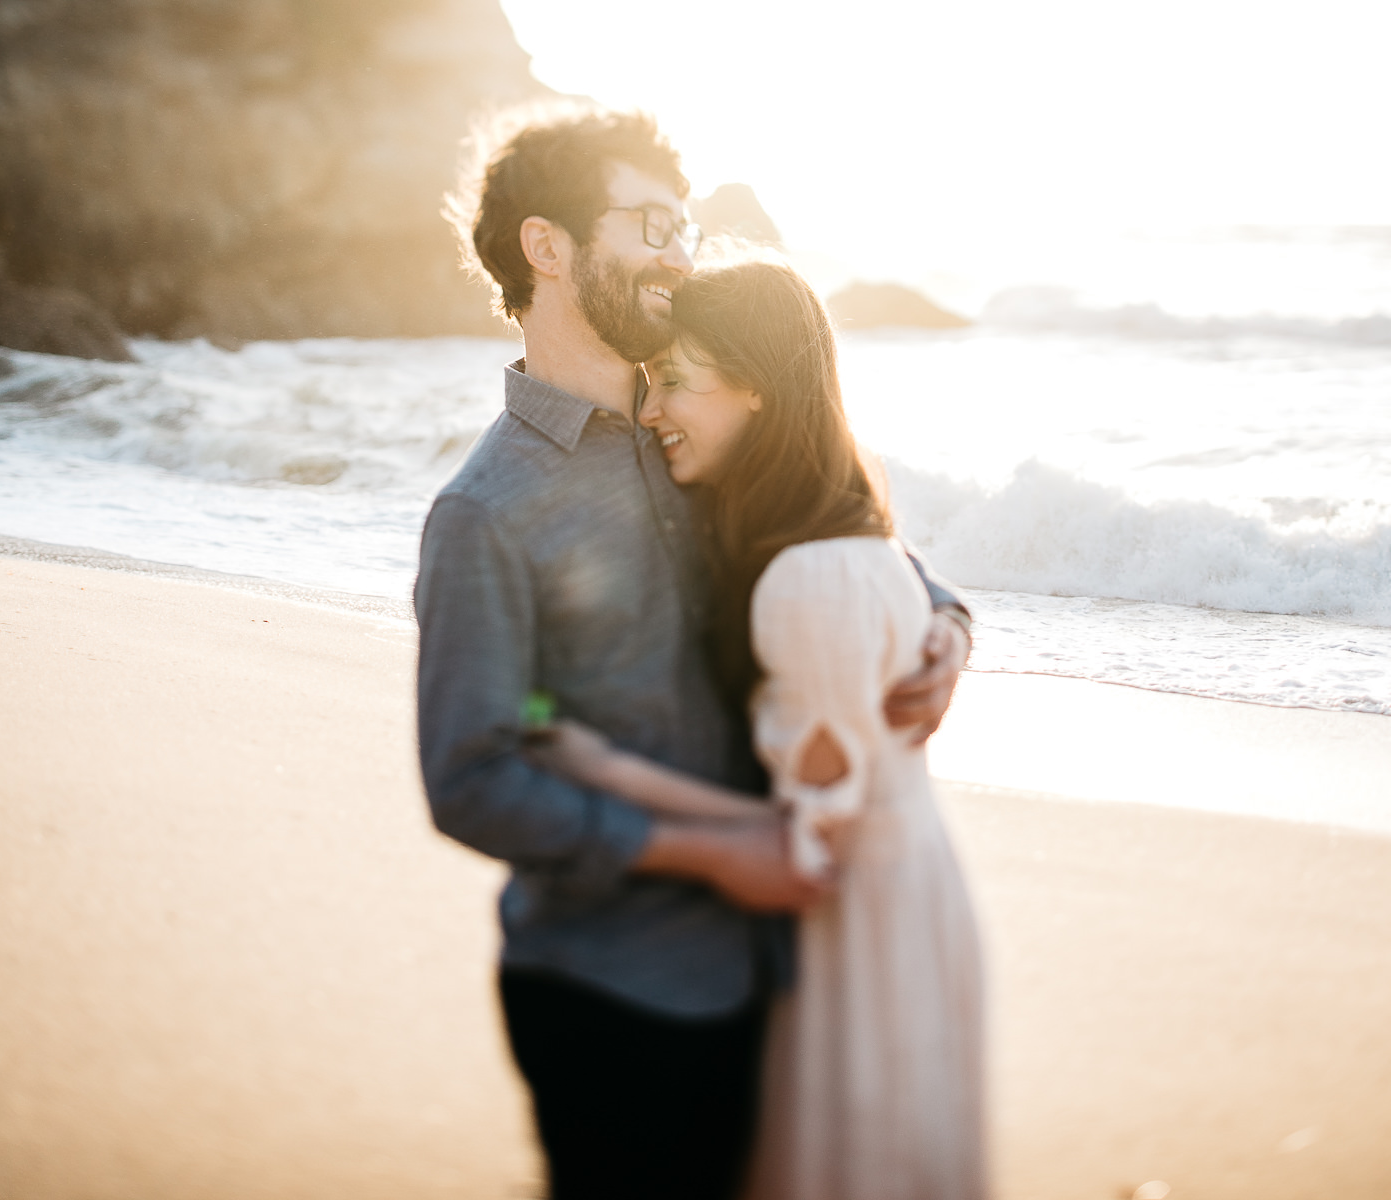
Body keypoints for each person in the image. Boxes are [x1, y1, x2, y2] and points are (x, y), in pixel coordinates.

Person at [414, 107, 971, 1200]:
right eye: (650, 222)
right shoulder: (485, 513)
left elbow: (832, 512)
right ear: (549, 248)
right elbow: (474, 777)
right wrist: (709, 854)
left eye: (686, 226)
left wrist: (945, 623)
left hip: (778, 970)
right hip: (614, 993)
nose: (680, 249)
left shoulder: (698, 426)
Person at [525, 257, 987, 1200]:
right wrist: (945, 616)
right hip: (888, 893)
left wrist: (588, 762)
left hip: (853, 921)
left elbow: (805, 835)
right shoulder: (812, 525)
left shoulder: (804, 579)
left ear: (761, 393)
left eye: (679, 385)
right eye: (652, 385)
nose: (653, 415)